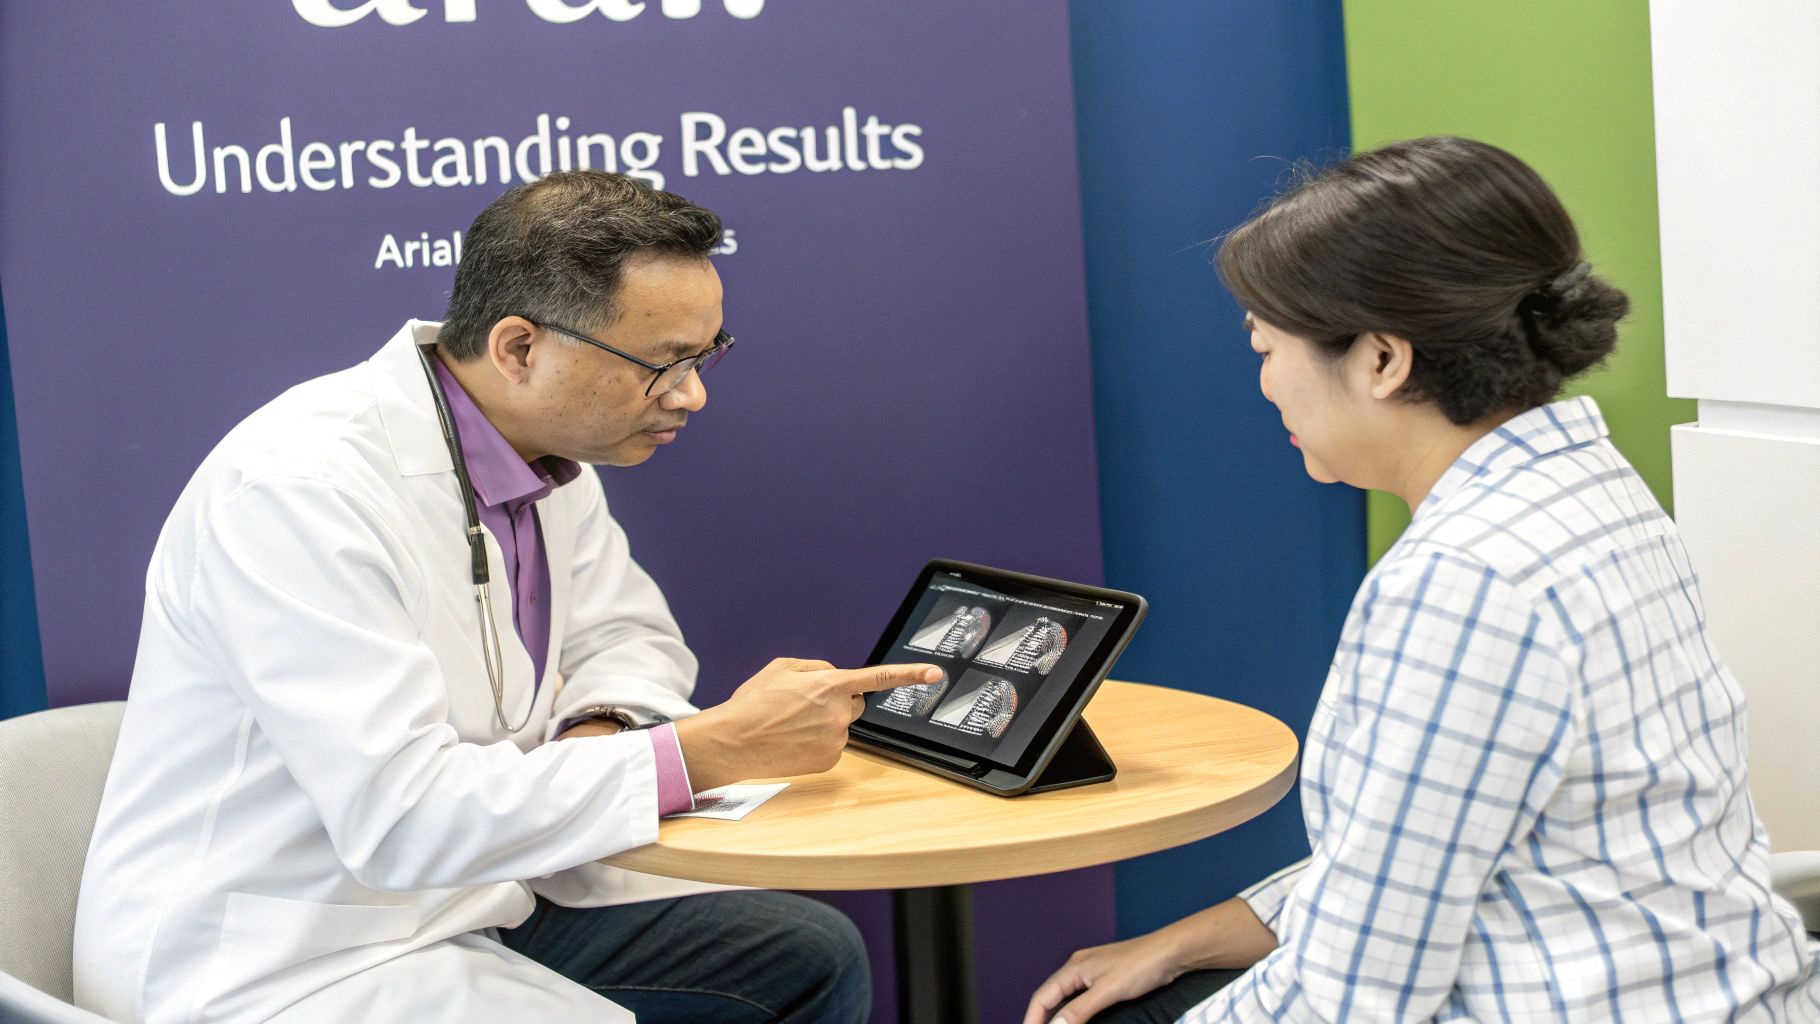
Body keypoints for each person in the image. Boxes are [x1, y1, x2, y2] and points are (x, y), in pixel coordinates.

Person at [73, 170, 941, 1023]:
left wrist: (597, 739)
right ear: (521, 347)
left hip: (460, 898)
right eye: (664, 363)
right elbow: (403, 818)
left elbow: (628, 638)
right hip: (281, 954)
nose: (693, 394)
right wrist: (704, 751)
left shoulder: (549, 454)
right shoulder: (298, 490)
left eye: (707, 354)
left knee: (804, 957)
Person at [1025, 137, 1820, 1023]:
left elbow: (1356, 997)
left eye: (1266, 348)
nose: (1266, 385)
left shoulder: (1465, 583)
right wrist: (1203, 934)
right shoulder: (1589, 488)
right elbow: (1432, 851)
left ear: (1380, 360)